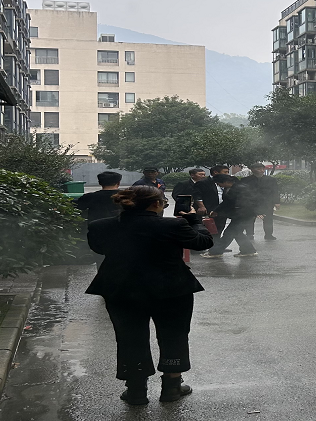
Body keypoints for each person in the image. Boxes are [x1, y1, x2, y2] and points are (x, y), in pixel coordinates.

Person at [85, 185, 213, 405]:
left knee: (129, 337)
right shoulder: (174, 225)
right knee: (174, 334)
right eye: (163, 202)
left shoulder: (100, 226)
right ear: (156, 204)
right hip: (171, 288)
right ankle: (171, 387)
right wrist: (194, 220)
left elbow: (99, 249)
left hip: (121, 288)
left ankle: (136, 390)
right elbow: (203, 242)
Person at [201, 163, 280, 258]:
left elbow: (234, 202)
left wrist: (258, 211)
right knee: (237, 233)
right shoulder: (236, 187)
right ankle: (248, 250)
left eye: (219, 183)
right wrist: (216, 211)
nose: (219, 185)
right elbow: (228, 202)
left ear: (225, 182)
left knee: (229, 233)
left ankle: (216, 252)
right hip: (241, 214)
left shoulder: (239, 189)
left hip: (244, 214)